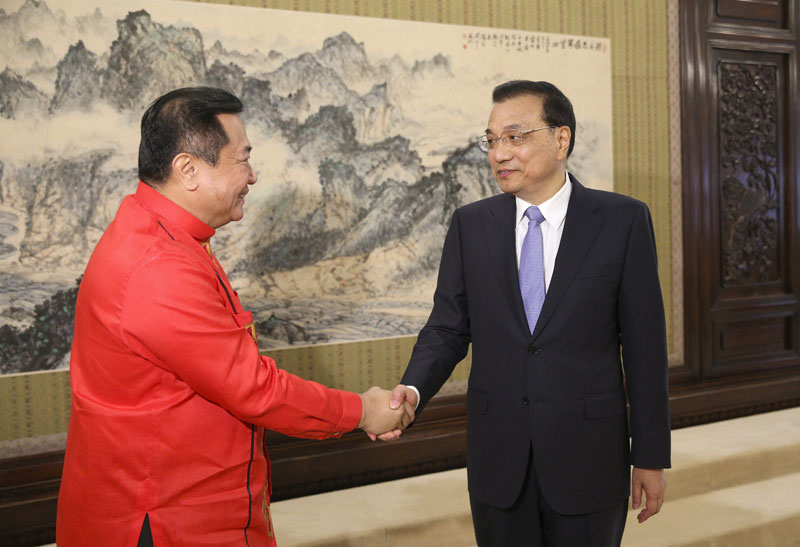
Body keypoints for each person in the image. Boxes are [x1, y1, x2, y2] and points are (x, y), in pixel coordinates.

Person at [56, 87, 412, 546]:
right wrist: (363, 411)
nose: (252, 175)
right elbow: (253, 387)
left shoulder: (161, 234)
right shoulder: (158, 265)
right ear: (188, 169)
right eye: (242, 159)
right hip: (164, 521)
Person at [384, 80, 671, 546]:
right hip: (498, 459)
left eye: (515, 137)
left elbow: (645, 350)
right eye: (491, 140)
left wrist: (651, 455)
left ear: (561, 139)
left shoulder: (622, 221)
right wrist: (413, 391)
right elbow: (446, 329)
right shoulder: (471, 225)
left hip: (590, 459)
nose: (499, 153)